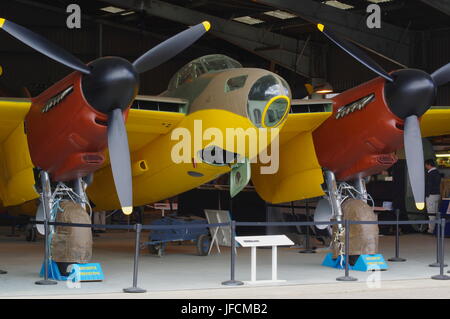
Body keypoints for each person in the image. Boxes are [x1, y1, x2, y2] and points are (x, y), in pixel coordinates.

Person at [425, 159, 442, 234]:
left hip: (431, 195)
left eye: (426, 165)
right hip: (437, 194)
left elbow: (429, 185)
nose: (425, 167)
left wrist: (426, 195)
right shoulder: (437, 172)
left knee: (431, 212)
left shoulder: (431, 173)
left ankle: (431, 229)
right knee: (435, 212)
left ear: (429, 165)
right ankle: (435, 229)